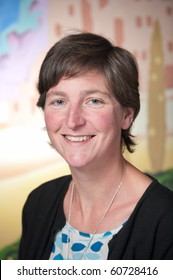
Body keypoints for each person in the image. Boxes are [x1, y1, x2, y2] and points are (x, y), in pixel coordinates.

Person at [19, 32, 173, 260]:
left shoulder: (166, 220)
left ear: (126, 116)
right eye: (59, 101)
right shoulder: (38, 203)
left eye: (94, 101)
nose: (73, 121)